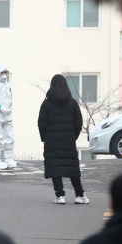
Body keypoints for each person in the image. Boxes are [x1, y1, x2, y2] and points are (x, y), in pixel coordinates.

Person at [37, 74, 88, 204]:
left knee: (55, 167)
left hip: (51, 140)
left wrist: (45, 137)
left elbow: (41, 122)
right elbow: (78, 122)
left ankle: (60, 196)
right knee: (72, 167)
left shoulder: (47, 103)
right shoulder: (72, 103)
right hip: (68, 140)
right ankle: (79, 195)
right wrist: (73, 136)